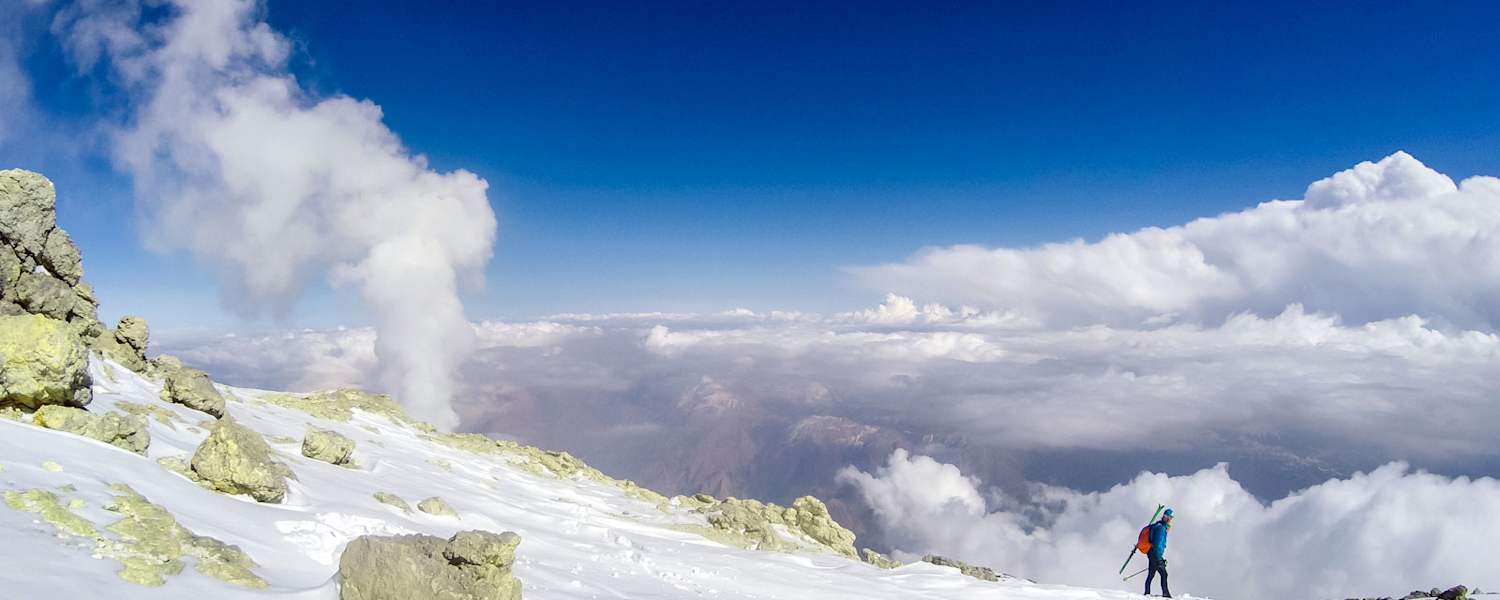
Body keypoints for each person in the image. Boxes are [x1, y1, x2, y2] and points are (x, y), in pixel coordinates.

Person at [1144, 508, 1173, 597]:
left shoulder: (1158, 525)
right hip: (1155, 554)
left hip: (1151, 553)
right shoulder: (1161, 528)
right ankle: (1166, 593)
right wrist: (1159, 559)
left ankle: (1147, 593)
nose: (1169, 519)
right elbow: (1158, 545)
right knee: (1164, 574)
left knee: (1151, 574)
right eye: (1168, 517)